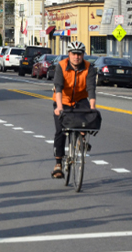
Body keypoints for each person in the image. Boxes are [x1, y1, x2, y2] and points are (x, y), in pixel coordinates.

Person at [51, 41, 96, 179]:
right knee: (61, 130)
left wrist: (93, 108)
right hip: (63, 101)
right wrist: (59, 107)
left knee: (87, 119)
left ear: (83, 55)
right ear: (69, 54)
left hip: (80, 100)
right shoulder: (61, 66)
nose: (76, 56)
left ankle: (80, 139)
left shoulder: (89, 68)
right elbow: (58, 87)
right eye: (74, 54)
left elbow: (91, 89)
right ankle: (58, 163)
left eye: (79, 54)